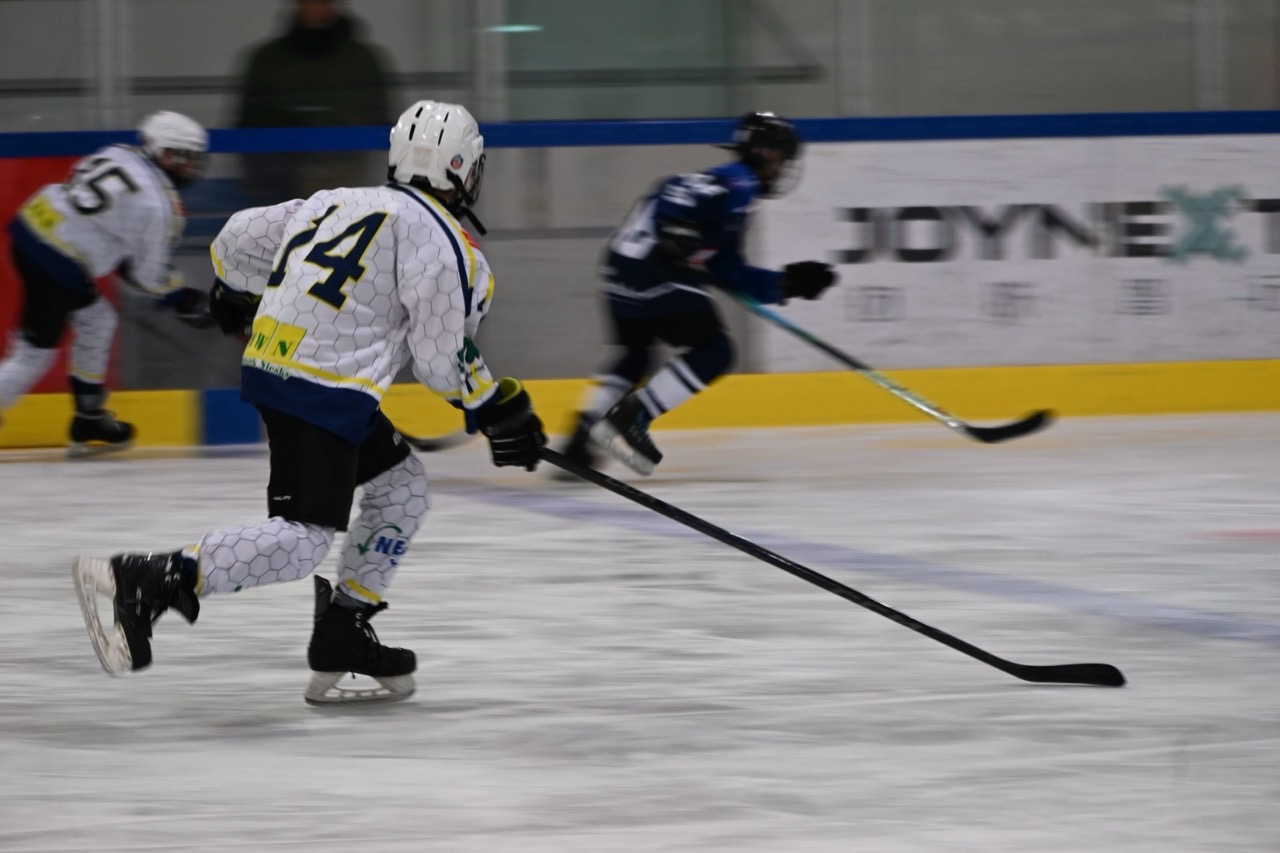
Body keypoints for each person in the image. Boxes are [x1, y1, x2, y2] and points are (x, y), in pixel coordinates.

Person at [73, 100, 544, 706]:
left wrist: (235, 293)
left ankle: (343, 631)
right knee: (302, 541)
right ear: (463, 169)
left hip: (288, 368)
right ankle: (148, 579)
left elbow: (236, 237)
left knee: (402, 487)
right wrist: (498, 407)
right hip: (324, 386)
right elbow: (439, 356)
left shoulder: (335, 201)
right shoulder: (444, 242)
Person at [559, 112, 838, 476]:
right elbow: (673, 189)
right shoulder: (739, 181)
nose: (783, 170)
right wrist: (676, 224)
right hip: (652, 269)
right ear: (766, 153)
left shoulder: (735, 201)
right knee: (716, 352)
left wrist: (786, 283)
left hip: (617, 271)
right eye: (782, 160)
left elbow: (727, 270)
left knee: (635, 356)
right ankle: (633, 416)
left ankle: (579, 441)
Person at [0, 111, 212, 457]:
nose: (190, 166)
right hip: (58, 260)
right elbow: (148, 275)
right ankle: (85, 418)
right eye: (182, 156)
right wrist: (183, 298)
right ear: (160, 150)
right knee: (33, 355)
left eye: (193, 158)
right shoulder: (158, 205)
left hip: (33, 229)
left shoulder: (119, 152)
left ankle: (89, 417)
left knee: (98, 320)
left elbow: (97, 214)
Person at [234, 0, 393, 202]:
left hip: (348, 178)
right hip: (282, 184)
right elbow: (248, 127)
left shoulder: (362, 60)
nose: (316, 6)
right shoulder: (267, 60)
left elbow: (380, 124)